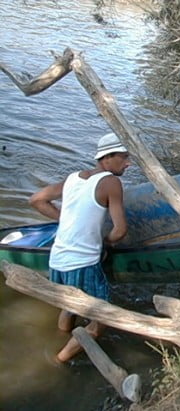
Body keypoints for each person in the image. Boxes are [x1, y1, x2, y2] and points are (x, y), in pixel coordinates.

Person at [30, 132, 130, 363]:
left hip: (57, 260)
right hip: (82, 263)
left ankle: (60, 337)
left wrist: (64, 220)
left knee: (69, 305)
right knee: (101, 320)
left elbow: (36, 200)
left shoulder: (73, 178)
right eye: (124, 157)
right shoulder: (111, 182)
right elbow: (120, 230)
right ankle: (59, 359)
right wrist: (104, 242)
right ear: (108, 158)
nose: (128, 163)